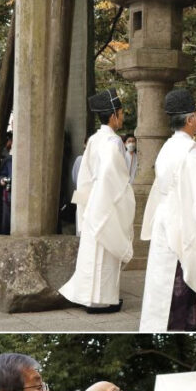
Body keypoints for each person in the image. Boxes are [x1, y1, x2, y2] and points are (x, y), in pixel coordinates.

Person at [139, 88, 196, 332]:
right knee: (185, 269)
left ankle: (165, 320)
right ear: (190, 119)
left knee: (165, 272)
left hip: (165, 216)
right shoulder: (191, 153)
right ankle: (185, 321)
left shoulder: (167, 148)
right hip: (184, 218)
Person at [60, 88, 136, 314]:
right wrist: (115, 203)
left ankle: (89, 298)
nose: (123, 117)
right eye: (121, 113)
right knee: (104, 254)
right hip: (106, 204)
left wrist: (85, 206)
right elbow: (114, 180)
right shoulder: (113, 143)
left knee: (93, 253)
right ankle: (103, 300)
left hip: (94, 202)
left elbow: (84, 177)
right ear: (113, 116)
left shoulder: (94, 139)